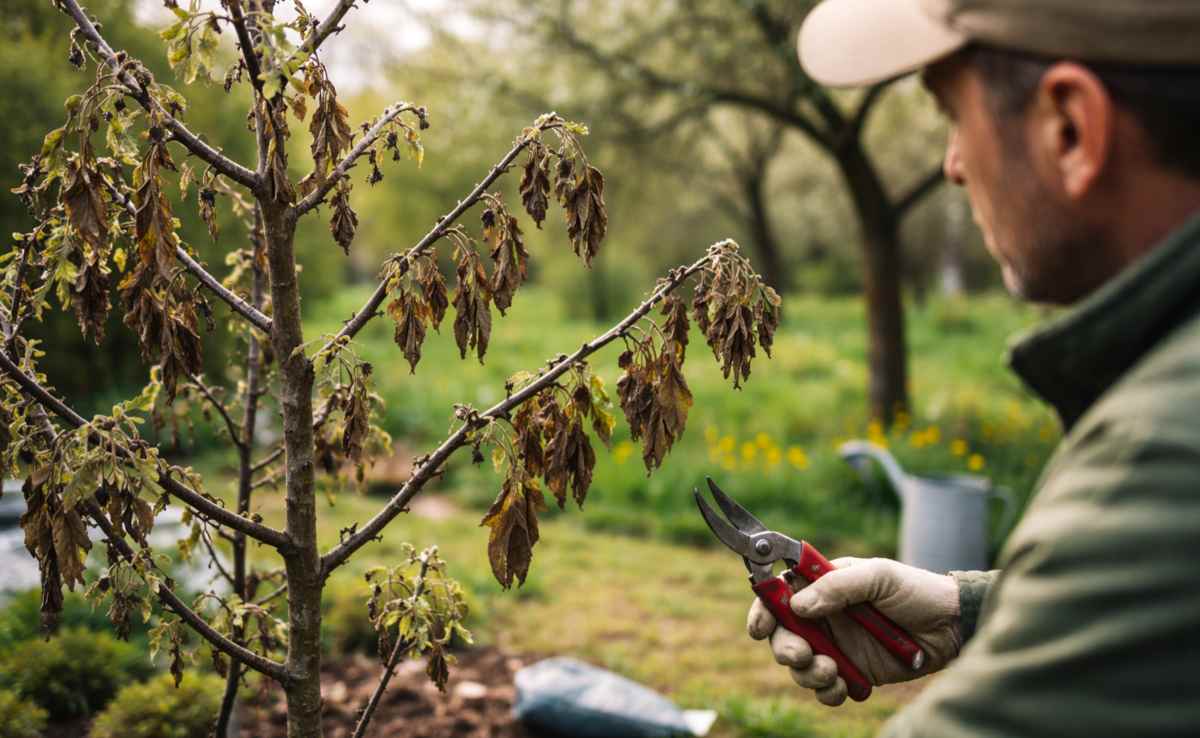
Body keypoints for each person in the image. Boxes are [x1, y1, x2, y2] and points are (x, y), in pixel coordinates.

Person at [746, 1, 1200, 735]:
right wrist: (969, 611)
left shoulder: (1166, 453)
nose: (952, 166)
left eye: (954, 117)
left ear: (1070, 130)